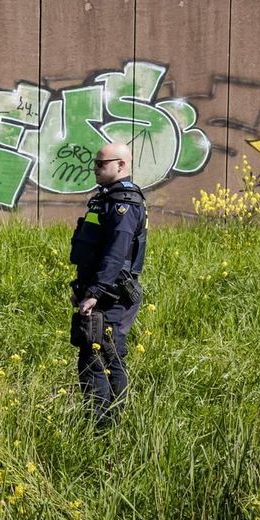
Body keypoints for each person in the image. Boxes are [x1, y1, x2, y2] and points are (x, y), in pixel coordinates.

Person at [69, 142, 147, 429]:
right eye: (95, 163)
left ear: (121, 165)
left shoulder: (124, 204)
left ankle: (105, 428)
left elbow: (116, 253)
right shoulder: (104, 199)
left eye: (102, 163)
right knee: (92, 355)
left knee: (103, 357)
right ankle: (98, 422)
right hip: (95, 290)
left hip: (110, 296)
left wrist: (95, 293)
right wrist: (81, 287)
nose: (96, 167)